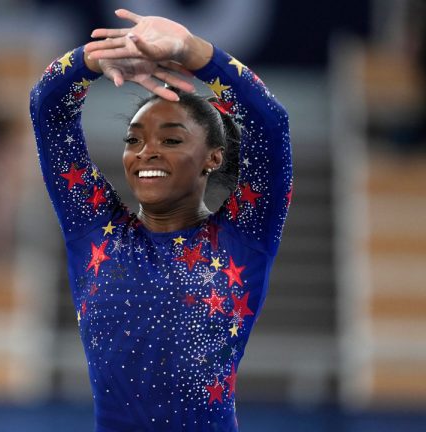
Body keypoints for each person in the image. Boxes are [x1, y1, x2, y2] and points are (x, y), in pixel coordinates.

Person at [29, 9, 292, 431]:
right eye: (134, 139)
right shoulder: (95, 233)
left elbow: (270, 123)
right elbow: (48, 108)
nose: (146, 152)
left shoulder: (242, 238)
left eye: (171, 140)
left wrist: (197, 54)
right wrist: (93, 59)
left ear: (213, 157)